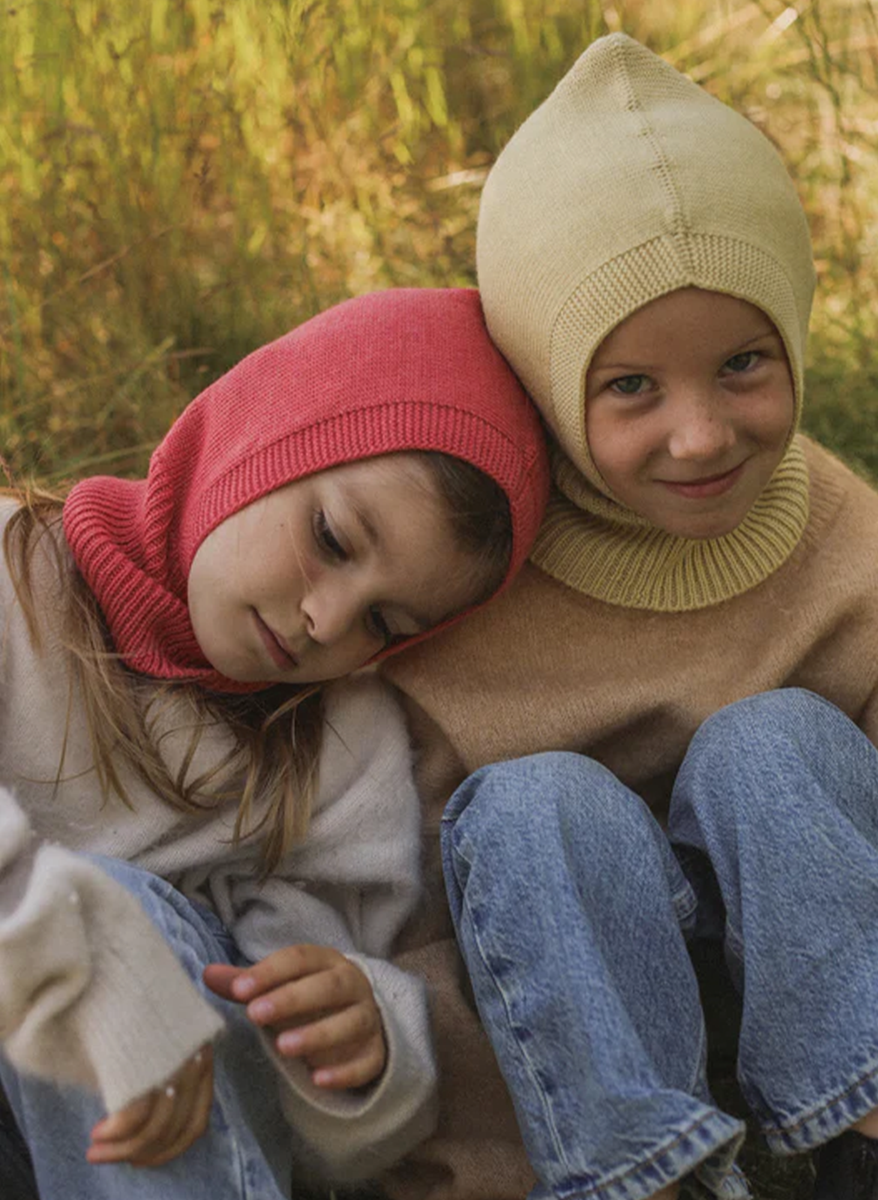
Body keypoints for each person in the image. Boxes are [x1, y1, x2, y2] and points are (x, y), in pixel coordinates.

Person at [378, 35, 878, 1200]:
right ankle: (641, 1179)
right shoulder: (470, 589)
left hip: (827, 978)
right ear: (547, 383)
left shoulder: (855, 549)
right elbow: (409, 909)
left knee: (777, 744)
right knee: (529, 804)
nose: (701, 434)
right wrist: (468, 1148)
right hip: (584, 1035)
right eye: (630, 387)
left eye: (744, 364)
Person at [0, 286, 550, 1200]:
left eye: (383, 620)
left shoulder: (341, 747)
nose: (325, 620)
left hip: (149, 1149)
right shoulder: (13, 573)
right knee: (110, 919)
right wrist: (89, 952)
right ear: (260, 434)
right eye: (331, 539)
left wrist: (363, 1039)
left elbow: (318, 1090)